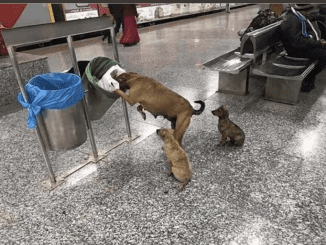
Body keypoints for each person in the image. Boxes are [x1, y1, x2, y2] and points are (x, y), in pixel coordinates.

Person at [278, 4, 326, 92]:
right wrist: (318, 43)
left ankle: (310, 78)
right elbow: (297, 42)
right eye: (309, 11)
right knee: (324, 56)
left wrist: (320, 17)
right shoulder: (292, 21)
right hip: (294, 50)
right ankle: (307, 78)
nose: (309, 13)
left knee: (323, 50)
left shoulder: (298, 16)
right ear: (304, 11)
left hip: (299, 46)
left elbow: (308, 18)